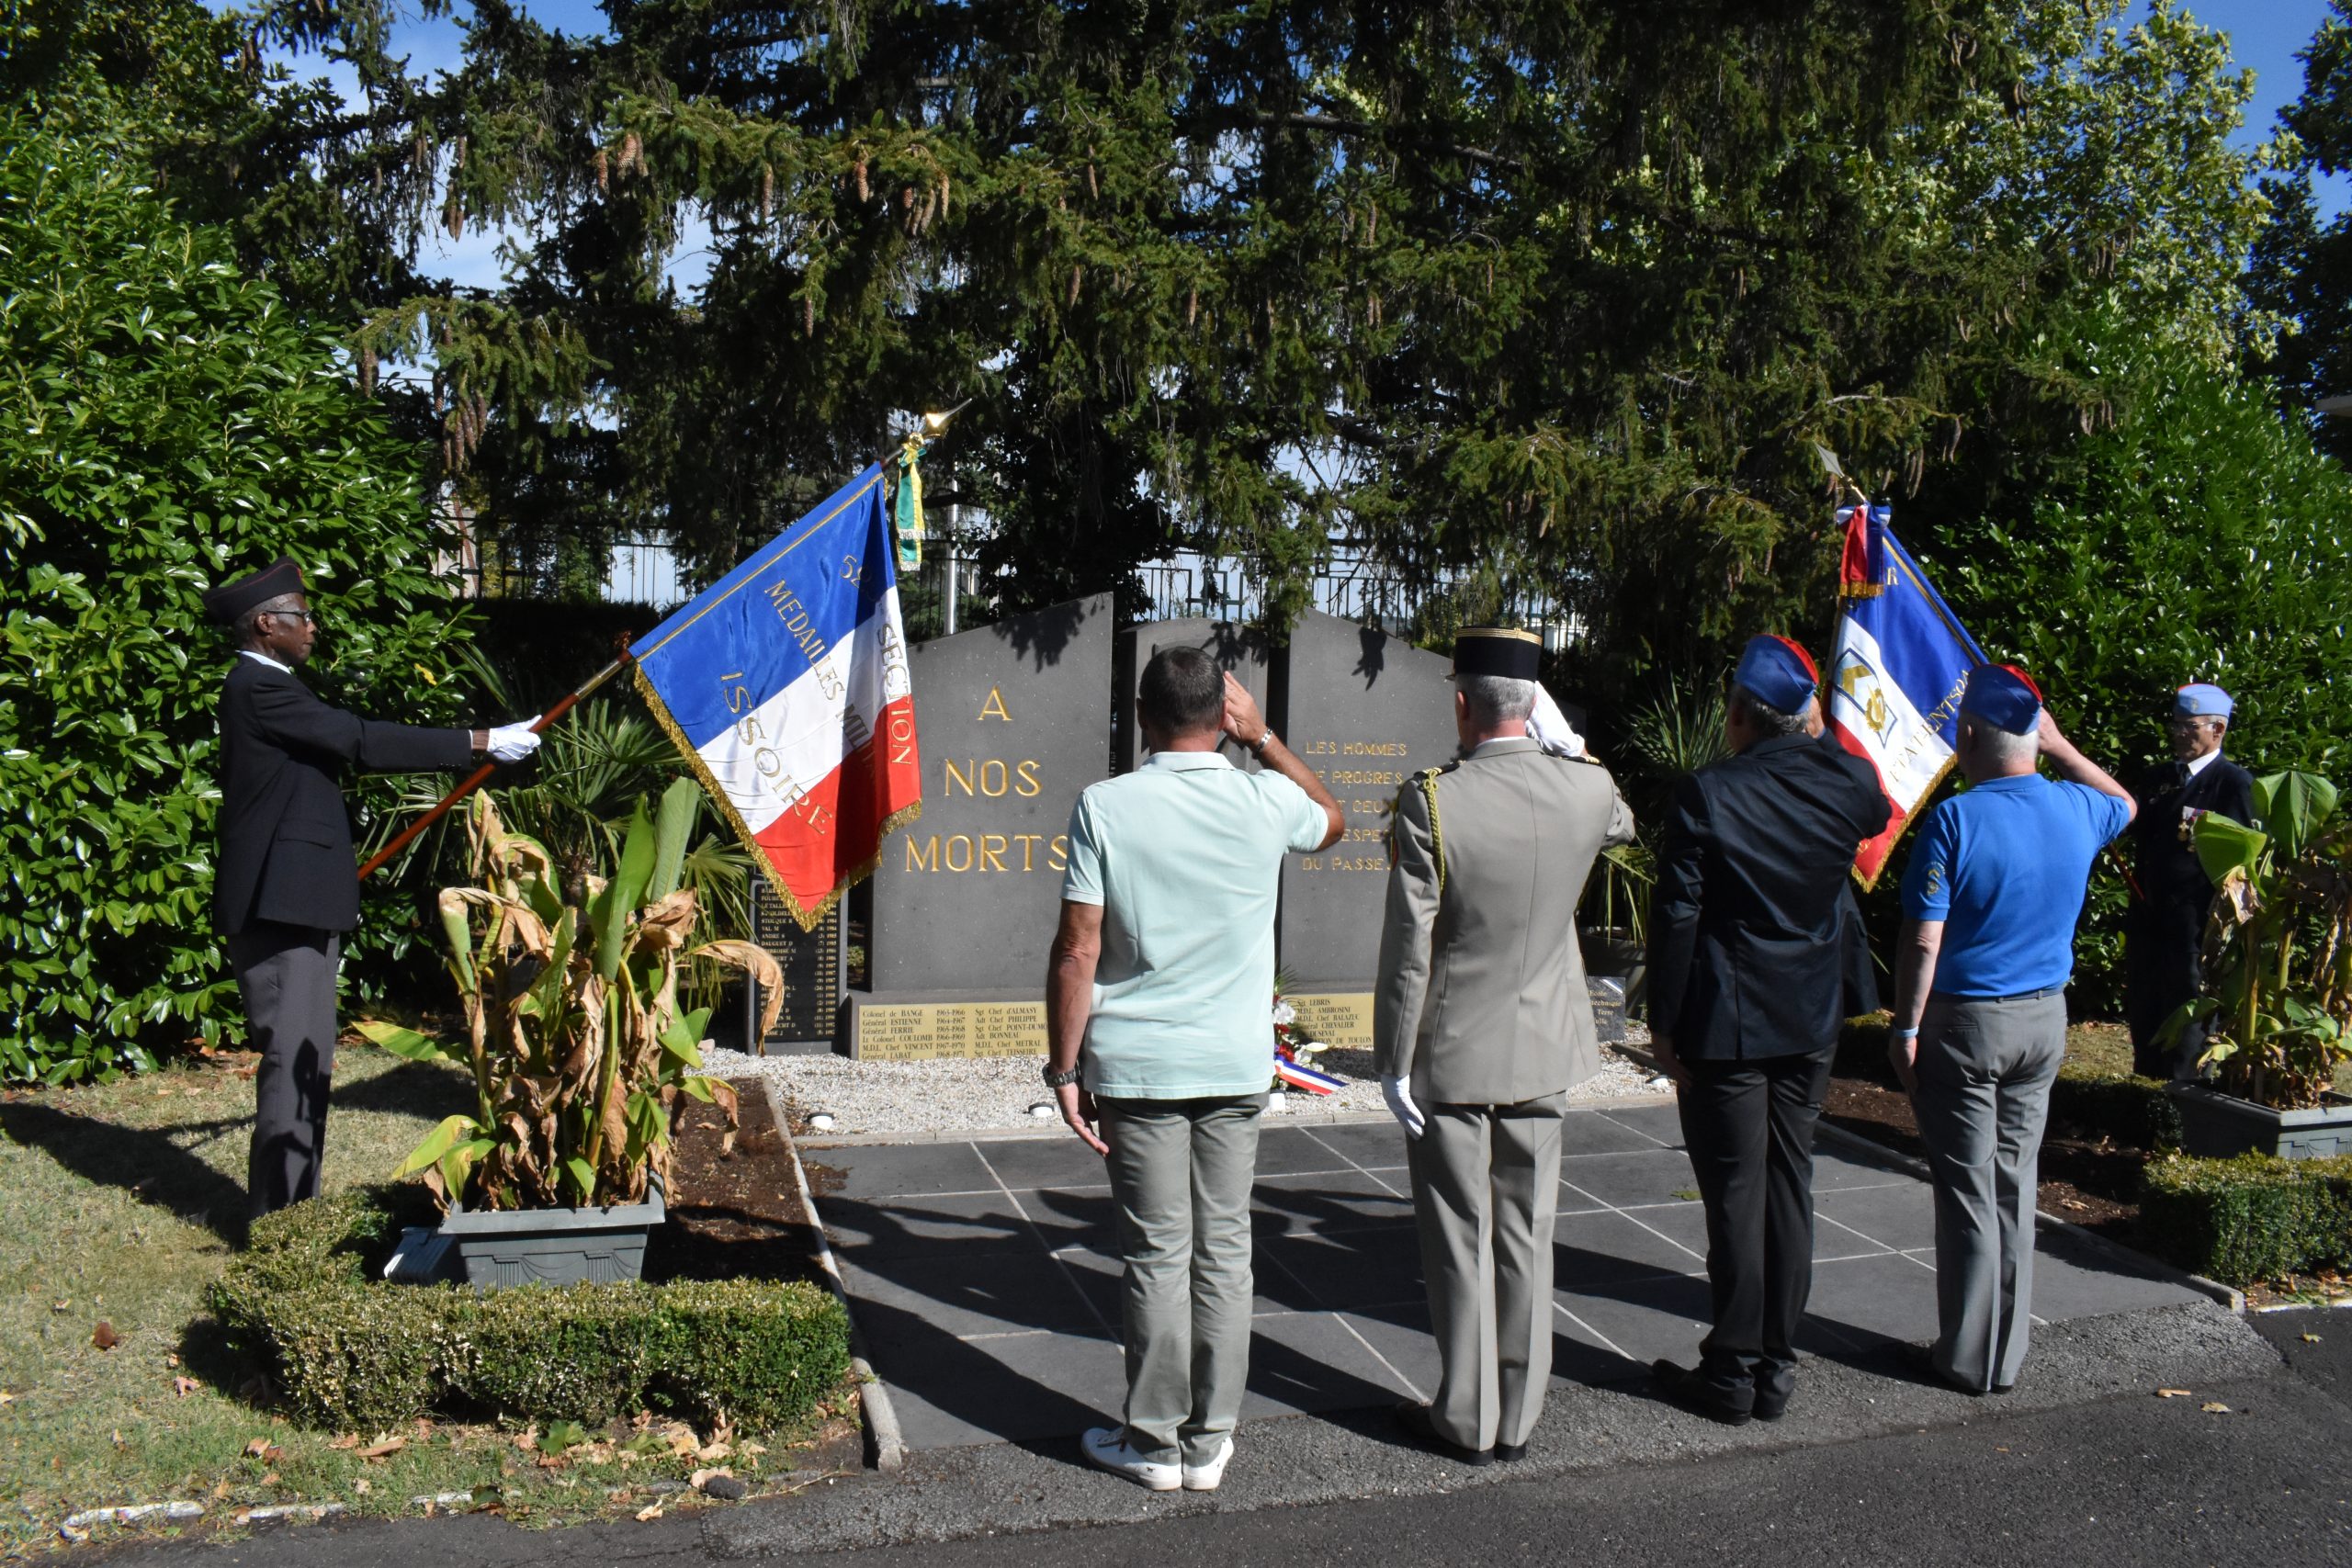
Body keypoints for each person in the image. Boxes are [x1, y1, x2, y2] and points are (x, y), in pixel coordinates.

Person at [1042, 647, 1342, 1493]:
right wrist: (1267, 739)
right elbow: (1333, 816)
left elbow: (1078, 949)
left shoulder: (1105, 804)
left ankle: (1153, 1438)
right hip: (1233, 1062)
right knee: (1225, 1253)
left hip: (1140, 1064)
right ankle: (1208, 1441)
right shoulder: (1264, 797)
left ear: (1141, 717)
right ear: (1224, 716)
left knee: (1156, 1253)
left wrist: (1063, 1068)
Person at [205, 558, 542, 1222]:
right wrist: (480, 740)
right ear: (266, 624)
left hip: (295, 900)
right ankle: (281, 1221)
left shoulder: (270, 688)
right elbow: (357, 738)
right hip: (281, 907)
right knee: (293, 1060)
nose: (312, 626)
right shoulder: (258, 687)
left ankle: (293, 1208)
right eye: (301, 616)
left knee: (308, 1057)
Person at [1373, 627, 1635, 1464]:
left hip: (1455, 1044)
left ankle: (1466, 1413)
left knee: (1459, 1234)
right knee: (1529, 1229)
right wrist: (1573, 745)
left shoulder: (1434, 798)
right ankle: (1519, 1414)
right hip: (1546, 1042)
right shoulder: (1588, 789)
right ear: (1535, 708)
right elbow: (1623, 819)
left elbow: (1410, 946)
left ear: (1461, 702)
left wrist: (1392, 1056)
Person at [1644, 635, 1894, 1425]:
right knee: (1790, 1183)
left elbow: (1679, 913)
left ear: (1741, 714)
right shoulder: (1850, 779)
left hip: (1730, 1014)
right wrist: (1820, 736)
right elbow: (1875, 809)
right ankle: (1774, 1366)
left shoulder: (1707, 792)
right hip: (1811, 1010)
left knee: (1737, 1194)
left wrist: (1664, 1020)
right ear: (1808, 716)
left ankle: (1732, 1369)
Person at [1887, 665, 2135, 1395]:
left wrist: (1905, 1026)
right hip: (2044, 1019)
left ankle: (1965, 1357)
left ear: (1967, 736)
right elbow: (2126, 801)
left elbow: (1923, 941)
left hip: (1967, 1024)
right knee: (2014, 1185)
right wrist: (2060, 747)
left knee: (1966, 1189)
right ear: (2032, 736)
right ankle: (2007, 1353)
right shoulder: (2075, 808)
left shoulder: (1954, 820)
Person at [2124, 683, 2255, 1078]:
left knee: (2188, 1005)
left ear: (2218, 730)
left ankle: (2186, 1092)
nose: (2180, 733)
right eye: (2177, 724)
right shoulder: (2159, 778)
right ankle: (2146, 1084)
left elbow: (2240, 859)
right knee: (2145, 1001)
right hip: (2149, 915)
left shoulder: (2232, 783)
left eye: (2190, 726)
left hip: (2195, 922)